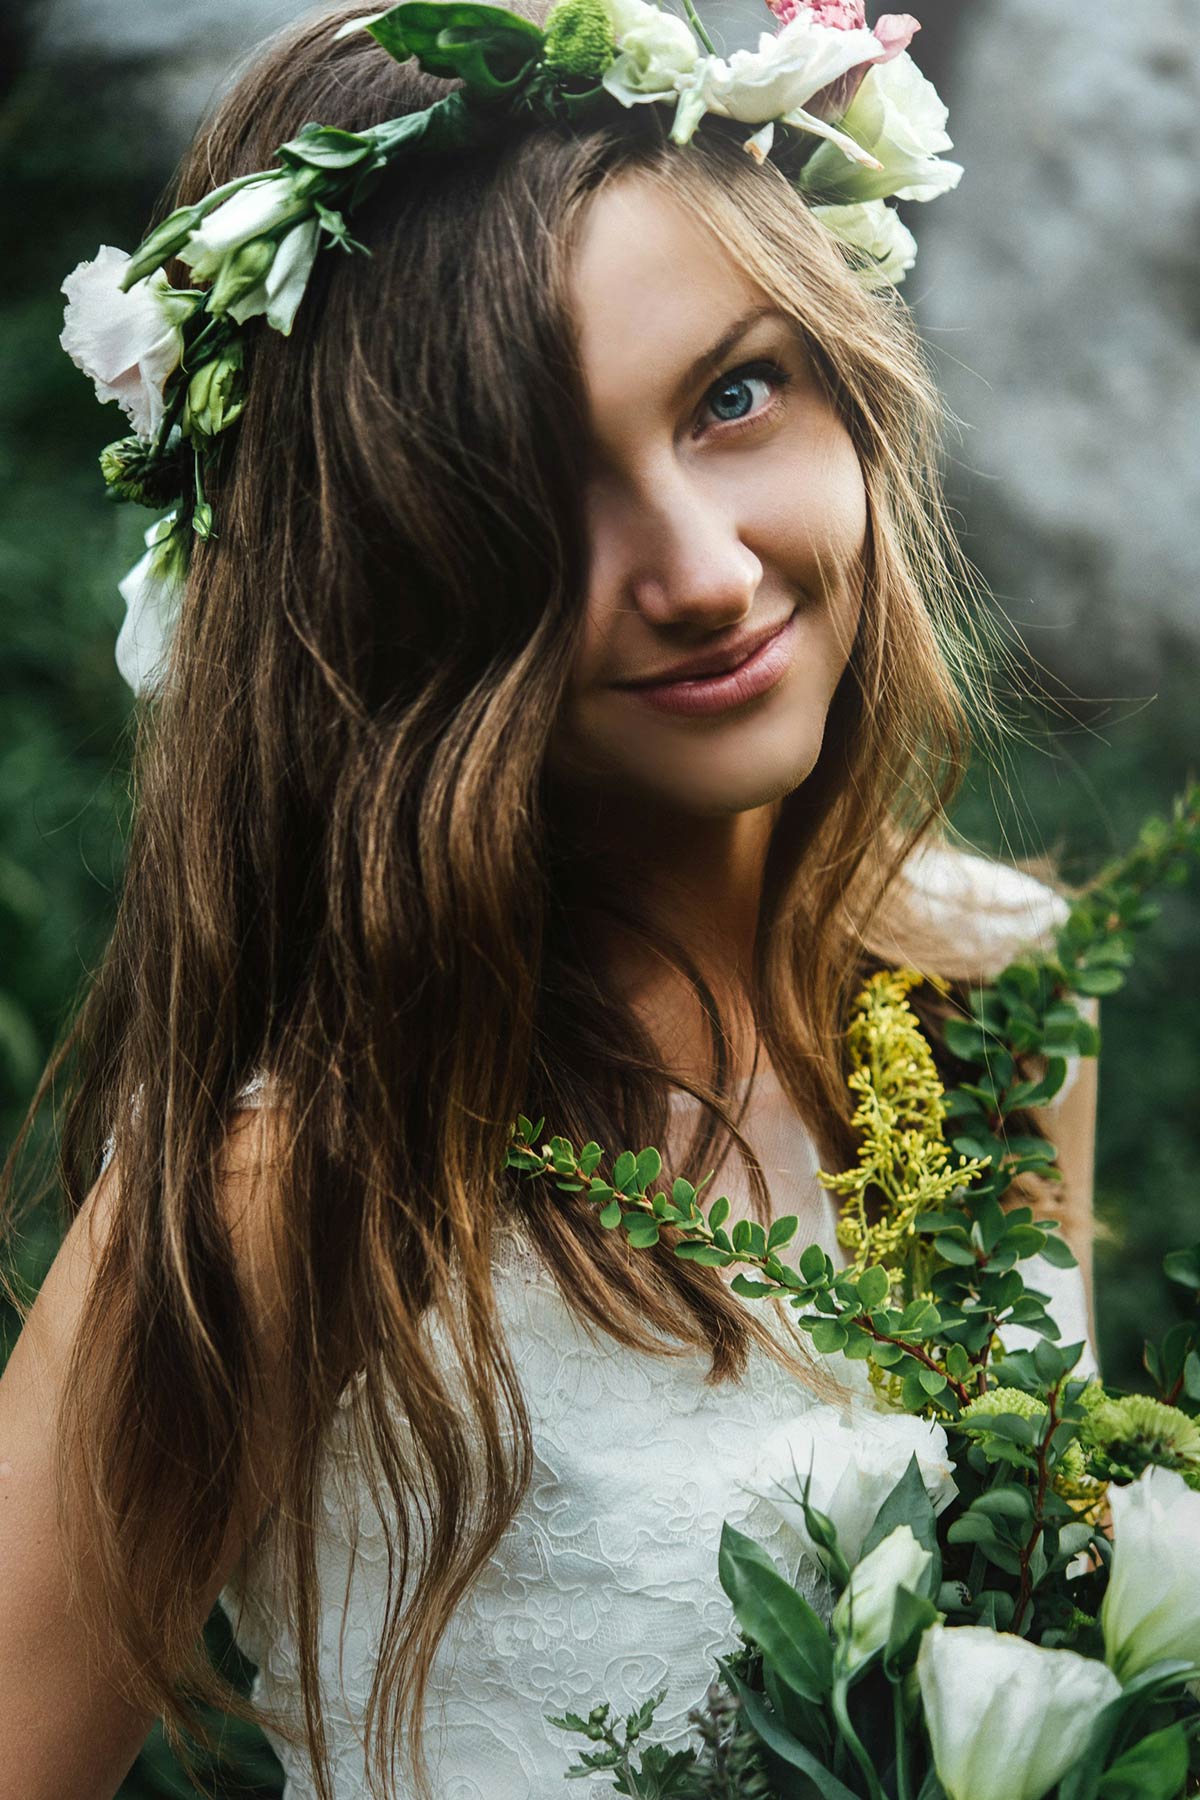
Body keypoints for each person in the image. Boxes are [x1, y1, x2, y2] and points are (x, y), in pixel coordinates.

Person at [0, 2, 1100, 1796]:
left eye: (734, 393)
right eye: (531, 488)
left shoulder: (996, 993)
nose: (698, 571)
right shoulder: (295, 1174)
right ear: (375, 578)